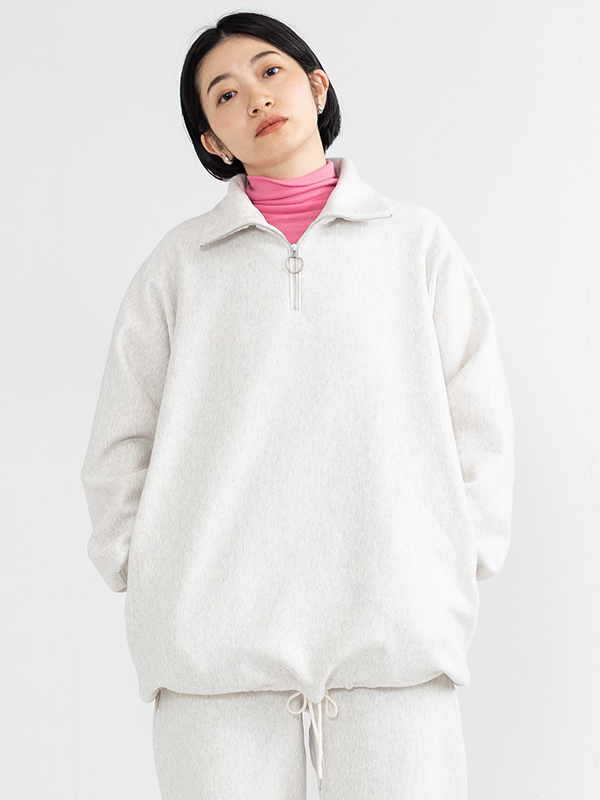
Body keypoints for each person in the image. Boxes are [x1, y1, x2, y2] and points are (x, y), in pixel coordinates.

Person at [80, 11, 515, 800]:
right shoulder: (180, 265)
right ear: (212, 141)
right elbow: (121, 438)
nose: (254, 96)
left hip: (397, 641)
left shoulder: (415, 244)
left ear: (317, 86)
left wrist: (454, 559)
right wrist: (149, 573)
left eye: (270, 71)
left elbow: (478, 416)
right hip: (213, 656)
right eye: (224, 94)